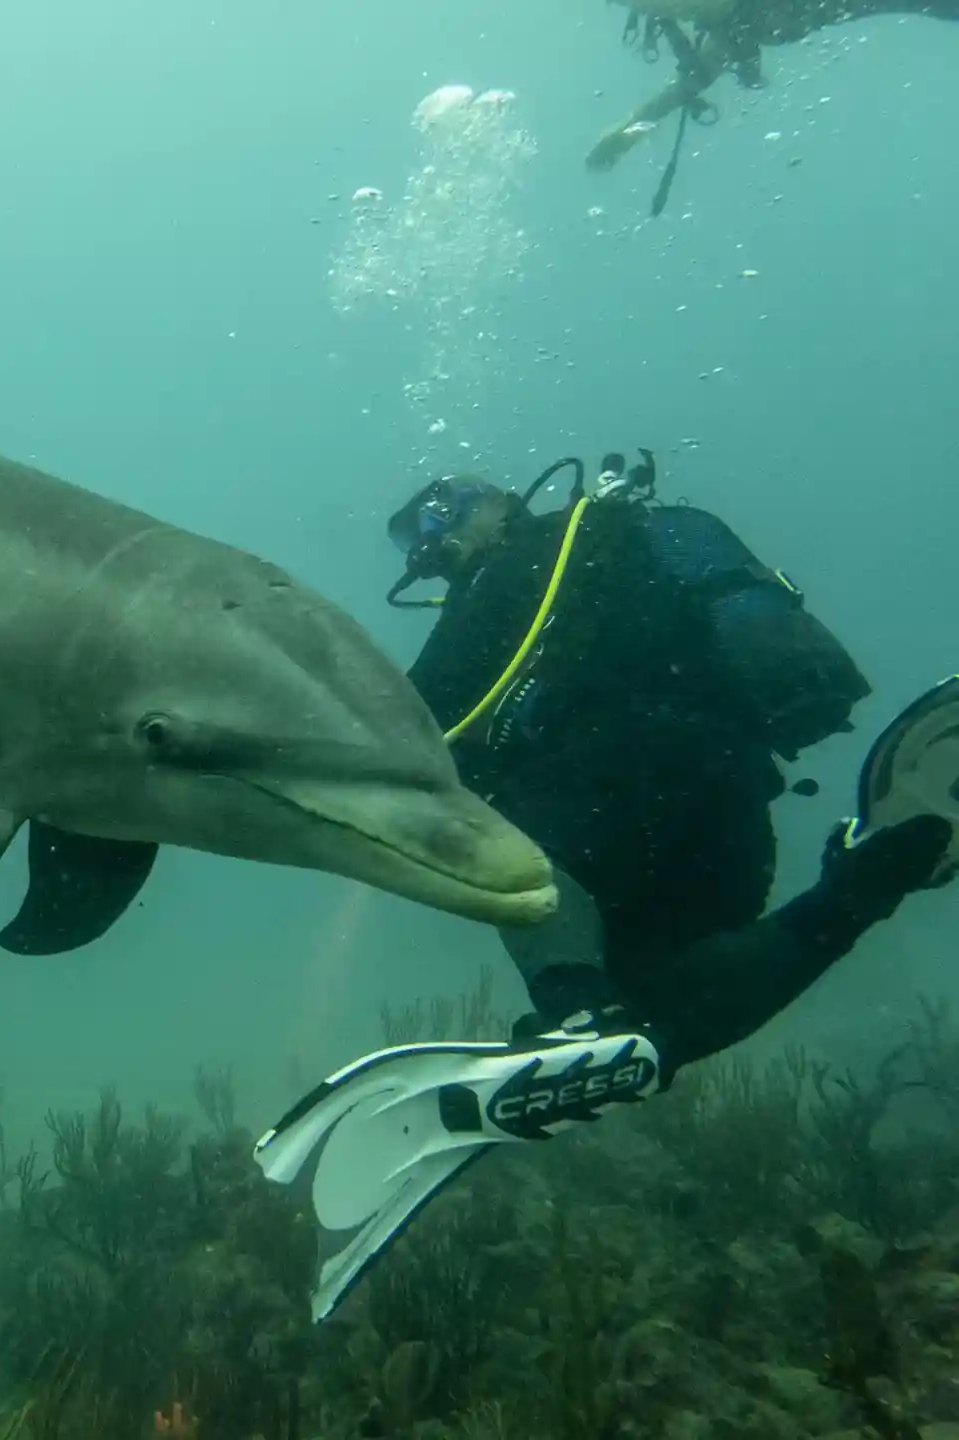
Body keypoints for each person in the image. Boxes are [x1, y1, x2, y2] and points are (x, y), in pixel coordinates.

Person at [254, 450, 956, 1321]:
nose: (428, 549)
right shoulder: (646, 541)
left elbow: (418, 718)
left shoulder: (529, 560)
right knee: (667, 1006)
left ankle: (576, 1003)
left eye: (435, 524)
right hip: (732, 801)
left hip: (601, 795)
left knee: (502, 848)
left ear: (488, 509)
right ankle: (853, 891)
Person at [589, 0, 959, 211]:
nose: (682, 15)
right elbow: (685, 87)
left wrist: (623, 137)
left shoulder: (730, 26)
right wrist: (624, 136)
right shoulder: (730, 30)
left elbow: (687, 85)